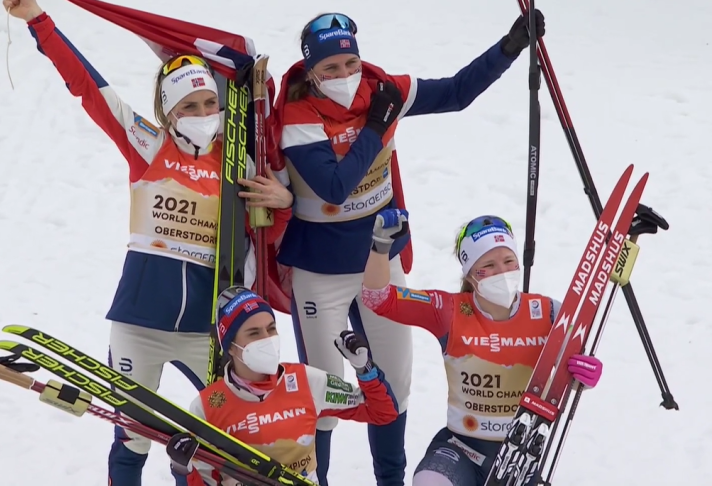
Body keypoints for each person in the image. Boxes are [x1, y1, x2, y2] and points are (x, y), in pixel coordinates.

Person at [3, 1, 292, 485]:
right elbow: (88, 86)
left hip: (208, 329)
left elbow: (268, 235)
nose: (202, 114)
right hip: (138, 326)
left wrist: (282, 202)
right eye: (189, 107)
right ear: (169, 111)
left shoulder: (238, 164)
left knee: (221, 441)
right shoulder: (148, 145)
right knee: (133, 438)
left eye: (209, 104)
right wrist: (38, 20)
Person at [271, 10, 547, 486]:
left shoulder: (384, 90)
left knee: (395, 383)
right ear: (311, 72)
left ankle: (391, 481)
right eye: (330, 68)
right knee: (326, 389)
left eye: (351, 64)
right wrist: (376, 127)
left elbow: (456, 93)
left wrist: (509, 48)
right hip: (321, 272)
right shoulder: (298, 114)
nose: (344, 75)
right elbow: (335, 186)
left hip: (380, 263)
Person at [361, 209, 604, 486]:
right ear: (470, 274)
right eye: (488, 265)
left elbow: (571, 374)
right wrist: (381, 246)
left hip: (519, 456)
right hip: (461, 448)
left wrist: (585, 374)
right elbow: (378, 298)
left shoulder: (548, 312)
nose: (502, 272)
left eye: (509, 261)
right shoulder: (449, 310)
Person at [166, 286, 400, 486]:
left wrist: (365, 369)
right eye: (254, 333)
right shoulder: (207, 406)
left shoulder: (305, 380)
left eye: (271, 328)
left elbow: (383, 412)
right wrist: (181, 468)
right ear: (231, 346)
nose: (267, 339)